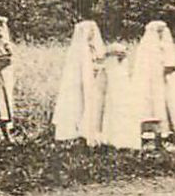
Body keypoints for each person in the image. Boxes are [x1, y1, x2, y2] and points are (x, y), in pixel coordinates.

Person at [52, 20, 138, 148]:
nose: (92, 34)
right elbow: (83, 69)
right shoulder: (79, 50)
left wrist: (111, 55)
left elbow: (101, 59)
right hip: (82, 85)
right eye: (89, 31)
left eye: (93, 30)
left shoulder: (96, 48)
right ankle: (79, 134)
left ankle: (96, 134)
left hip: (96, 83)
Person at [131, 20, 175, 146]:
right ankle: (149, 134)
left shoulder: (162, 47)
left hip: (161, 83)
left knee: (163, 105)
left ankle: (163, 134)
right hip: (150, 85)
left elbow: (169, 65)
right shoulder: (146, 49)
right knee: (151, 106)